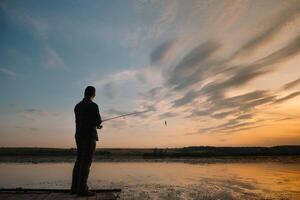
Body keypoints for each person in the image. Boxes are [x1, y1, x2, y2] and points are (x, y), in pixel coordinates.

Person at [71, 86, 102, 197]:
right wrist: (98, 124)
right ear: (93, 94)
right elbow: (97, 121)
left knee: (79, 161)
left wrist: (95, 123)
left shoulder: (77, 106)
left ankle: (74, 188)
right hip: (89, 136)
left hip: (78, 135)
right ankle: (82, 190)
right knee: (86, 163)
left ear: (85, 93)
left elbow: (83, 120)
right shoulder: (93, 105)